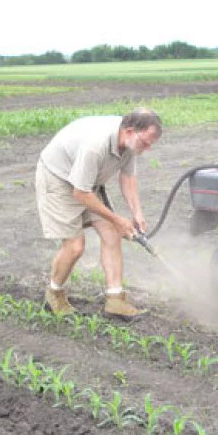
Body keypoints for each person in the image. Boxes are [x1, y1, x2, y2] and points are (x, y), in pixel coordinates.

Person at [35, 108, 162, 318]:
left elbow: (128, 178)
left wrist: (137, 213)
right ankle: (54, 294)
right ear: (130, 131)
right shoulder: (95, 146)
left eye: (151, 144)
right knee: (75, 246)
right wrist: (117, 219)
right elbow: (80, 193)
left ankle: (115, 301)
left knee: (112, 234)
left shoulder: (130, 144)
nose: (147, 149)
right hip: (59, 179)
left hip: (86, 182)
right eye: (145, 143)